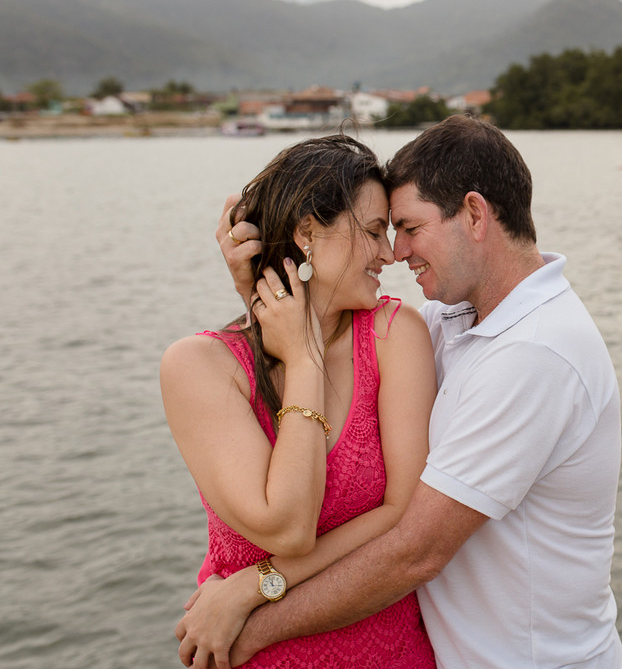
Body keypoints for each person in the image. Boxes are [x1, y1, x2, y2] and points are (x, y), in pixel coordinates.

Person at [185, 115, 622, 669]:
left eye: (409, 227)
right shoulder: (453, 317)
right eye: (381, 230)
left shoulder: (536, 353)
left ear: (473, 214)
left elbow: (414, 554)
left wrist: (248, 628)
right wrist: (260, 283)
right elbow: (325, 326)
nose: (396, 252)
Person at [162, 134, 438, 668]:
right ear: (308, 232)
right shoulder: (199, 367)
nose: (390, 254)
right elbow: (287, 524)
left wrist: (253, 587)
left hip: (391, 652)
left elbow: (403, 513)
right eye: (376, 231)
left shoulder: (394, 333)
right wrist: (305, 358)